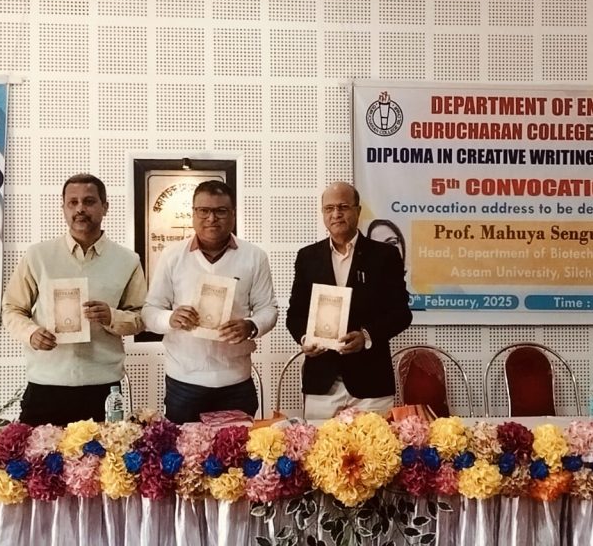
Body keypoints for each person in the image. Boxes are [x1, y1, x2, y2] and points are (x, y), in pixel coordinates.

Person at [2, 174, 147, 426]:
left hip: (102, 387)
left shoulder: (127, 260)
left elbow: (141, 317)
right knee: (37, 453)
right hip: (46, 385)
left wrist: (112, 317)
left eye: (89, 201)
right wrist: (31, 333)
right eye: (73, 202)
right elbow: (12, 308)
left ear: (105, 207)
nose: (80, 209)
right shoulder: (38, 256)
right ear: (63, 208)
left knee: (106, 454)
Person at [142, 180, 278, 424]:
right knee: (185, 447)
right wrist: (170, 318)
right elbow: (150, 311)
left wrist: (251, 325)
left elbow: (268, 309)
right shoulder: (172, 256)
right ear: (193, 214)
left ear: (233, 214)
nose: (211, 218)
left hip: (236, 381)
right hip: (184, 381)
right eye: (203, 210)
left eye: (220, 211)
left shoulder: (254, 257)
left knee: (239, 447)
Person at [287, 182, 412, 419]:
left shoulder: (384, 256)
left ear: (358, 210)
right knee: (319, 444)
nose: (336, 214)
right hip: (321, 383)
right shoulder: (307, 257)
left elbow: (401, 314)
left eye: (343, 207)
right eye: (329, 208)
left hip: (371, 383)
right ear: (323, 213)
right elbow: (295, 315)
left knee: (375, 444)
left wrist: (366, 336)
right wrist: (305, 338)